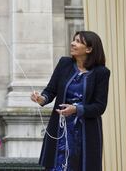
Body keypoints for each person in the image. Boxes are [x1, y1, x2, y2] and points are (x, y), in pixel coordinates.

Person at [31, 31, 110, 171]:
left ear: (89, 49)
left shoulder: (101, 72)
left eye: (78, 41)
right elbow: (50, 90)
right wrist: (41, 98)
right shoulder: (64, 63)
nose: (73, 43)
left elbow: (100, 106)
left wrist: (76, 109)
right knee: (57, 164)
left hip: (86, 132)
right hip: (60, 128)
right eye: (74, 40)